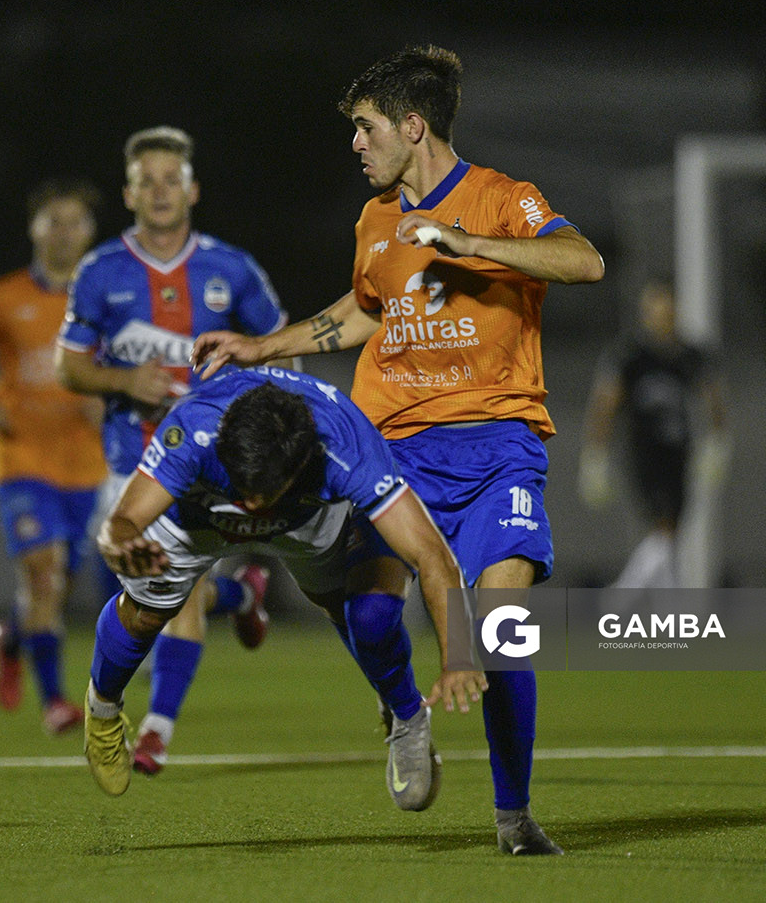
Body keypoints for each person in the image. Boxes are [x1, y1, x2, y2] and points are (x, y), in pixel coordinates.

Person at [192, 45, 604, 855]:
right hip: (396, 451)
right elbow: (366, 309)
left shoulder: (499, 198)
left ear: (413, 126)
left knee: (502, 630)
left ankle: (514, 817)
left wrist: (470, 244)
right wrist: (260, 345)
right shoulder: (376, 220)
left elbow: (582, 260)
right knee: (375, 613)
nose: (356, 144)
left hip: (497, 450)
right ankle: (404, 714)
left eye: (366, 127)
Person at [82, 368, 486, 807]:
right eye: (244, 487)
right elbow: (118, 525)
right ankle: (102, 711)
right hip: (199, 517)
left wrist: (459, 653)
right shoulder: (194, 428)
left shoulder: (345, 444)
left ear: (302, 463)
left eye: (262, 492)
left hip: (304, 517)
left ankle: (408, 716)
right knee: (145, 614)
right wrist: (120, 546)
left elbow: (430, 553)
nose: (252, 505)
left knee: (354, 611)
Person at [55, 125, 285, 776]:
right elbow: (69, 365)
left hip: (209, 464)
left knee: (175, 589)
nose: (160, 191)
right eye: (147, 180)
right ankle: (242, 597)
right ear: (129, 193)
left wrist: (250, 412)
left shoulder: (231, 269)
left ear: (193, 190)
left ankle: (155, 728)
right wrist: (124, 379)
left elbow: (280, 347)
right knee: (163, 588)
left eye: (171, 179)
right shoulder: (101, 271)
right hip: (132, 460)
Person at [0, 177, 109, 736]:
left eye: (76, 221)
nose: (65, 232)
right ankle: (56, 702)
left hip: (87, 463)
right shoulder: (1, 296)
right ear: (34, 228)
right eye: (53, 220)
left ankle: (9, 640)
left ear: (91, 231)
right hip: (21, 457)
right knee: (44, 577)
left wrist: (110, 400)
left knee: (55, 586)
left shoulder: (110, 297)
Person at [579, 281, 729, 588]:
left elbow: (713, 399)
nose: (660, 318)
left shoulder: (689, 355)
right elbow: (605, 404)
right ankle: (622, 597)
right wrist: (595, 456)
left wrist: (718, 443)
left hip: (679, 450)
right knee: (664, 530)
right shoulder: (629, 357)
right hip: (643, 451)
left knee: (669, 532)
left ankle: (666, 609)